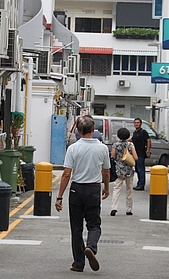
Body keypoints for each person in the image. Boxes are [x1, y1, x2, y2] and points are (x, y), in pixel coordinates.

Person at [55, 115, 110, 272]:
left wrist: (59, 197)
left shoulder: (73, 148)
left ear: (78, 130)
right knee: (94, 225)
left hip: (76, 189)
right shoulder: (102, 148)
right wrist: (106, 187)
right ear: (93, 129)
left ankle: (78, 264)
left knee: (76, 228)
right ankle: (91, 247)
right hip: (93, 189)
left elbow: (66, 174)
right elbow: (106, 172)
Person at [110, 128, 138, 216]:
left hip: (118, 170)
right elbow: (136, 157)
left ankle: (114, 208)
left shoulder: (115, 145)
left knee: (116, 189)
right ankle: (128, 209)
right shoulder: (130, 145)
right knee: (129, 189)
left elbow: (112, 156)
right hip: (129, 170)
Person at [131, 118, 151, 190]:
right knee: (137, 169)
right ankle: (139, 184)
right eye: (135, 123)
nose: (136, 124)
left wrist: (148, 150)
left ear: (141, 124)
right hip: (135, 154)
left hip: (141, 153)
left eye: (138, 122)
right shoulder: (135, 132)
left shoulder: (143, 132)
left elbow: (148, 140)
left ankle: (141, 185)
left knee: (141, 169)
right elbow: (132, 140)